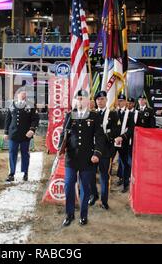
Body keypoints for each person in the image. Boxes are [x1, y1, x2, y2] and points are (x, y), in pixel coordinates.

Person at [59, 90, 103, 226]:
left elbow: (100, 136)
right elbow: (64, 133)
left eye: (82, 98)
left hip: (87, 159)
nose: (79, 101)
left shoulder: (95, 116)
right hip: (71, 158)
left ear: (87, 101)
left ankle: (83, 215)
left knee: (85, 187)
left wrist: (97, 153)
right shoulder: (70, 115)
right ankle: (69, 214)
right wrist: (60, 148)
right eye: (77, 98)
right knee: (68, 186)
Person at [88, 90, 120, 210]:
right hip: (93, 150)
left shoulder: (113, 114)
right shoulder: (92, 114)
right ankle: (94, 195)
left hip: (106, 151)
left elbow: (116, 131)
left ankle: (104, 201)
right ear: (95, 101)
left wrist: (102, 136)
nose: (100, 101)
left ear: (106, 100)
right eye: (98, 99)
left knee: (104, 176)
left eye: (102, 99)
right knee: (90, 174)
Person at [4, 89, 39, 182]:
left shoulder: (31, 105)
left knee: (25, 154)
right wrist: (6, 132)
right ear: (17, 95)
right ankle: (11, 173)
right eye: (21, 94)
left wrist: (32, 129)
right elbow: (8, 119)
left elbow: (35, 119)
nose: (23, 95)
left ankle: (25, 173)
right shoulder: (12, 104)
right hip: (13, 134)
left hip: (25, 135)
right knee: (12, 153)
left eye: (25, 94)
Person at [114, 94, 135, 193]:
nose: (120, 102)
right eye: (119, 100)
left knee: (125, 163)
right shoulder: (113, 112)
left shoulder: (129, 114)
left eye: (122, 101)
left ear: (125, 102)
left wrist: (122, 137)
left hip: (123, 142)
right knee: (109, 162)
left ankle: (126, 183)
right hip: (113, 142)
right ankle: (119, 178)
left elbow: (131, 129)